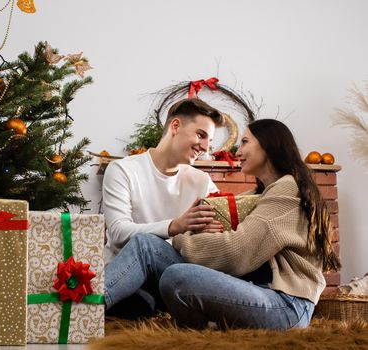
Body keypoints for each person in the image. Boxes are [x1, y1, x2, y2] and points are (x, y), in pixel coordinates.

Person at [159, 119, 341, 330]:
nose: (238, 151)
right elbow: (228, 239)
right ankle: (110, 308)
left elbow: (237, 251)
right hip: (260, 291)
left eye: (245, 142)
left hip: (287, 306)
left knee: (177, 276)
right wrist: (198, 230)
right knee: (148, 247)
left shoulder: (288, 187)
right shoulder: (259, 195)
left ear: (268, 145)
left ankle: (201, 326)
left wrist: (180, 240)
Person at [102, 98, 224, 317]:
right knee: (143, 251)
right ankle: (130, 302)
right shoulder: (123, 170)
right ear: (175, 126)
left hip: (170, 273)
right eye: (200, 135)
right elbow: (118, 232)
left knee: (150, 255)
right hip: (125, 270)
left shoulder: (202, 182)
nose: (205, 148)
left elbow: (222, 232)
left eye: (210, 141)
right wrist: (175, 226)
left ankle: (95, 306)